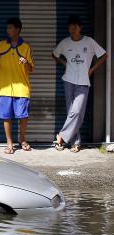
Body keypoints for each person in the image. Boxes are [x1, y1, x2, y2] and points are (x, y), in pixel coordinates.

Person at [52, 15, 108, 153]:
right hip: (68, 80)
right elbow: (55, 54)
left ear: (80, 28)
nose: (72, 29)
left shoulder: (89, 42)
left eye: (75, 26)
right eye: (70, 26)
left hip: (83, 81)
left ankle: (61, 136)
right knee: (72, 112)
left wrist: (91, 70)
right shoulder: (65, 43)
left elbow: (104, 55)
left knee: (77, 112)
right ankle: (76, 143)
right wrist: (65, 63)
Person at [0, 17, 34, 154]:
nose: (8, 30)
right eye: (7, 28)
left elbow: (31, 68)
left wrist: (25, 62)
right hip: (4, 87)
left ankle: (22, 139)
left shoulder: (25, 47)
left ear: (18, 30)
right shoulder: (1, 45)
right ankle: (9, 143)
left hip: (21, 87)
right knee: (6, 116)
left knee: (23, 116)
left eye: (11, 28)